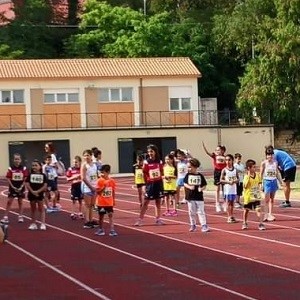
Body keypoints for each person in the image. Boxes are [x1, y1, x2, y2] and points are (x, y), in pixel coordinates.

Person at [134, 144, 164, 226]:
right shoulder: (146, 162)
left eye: (151, 151)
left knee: (158, 201)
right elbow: (144, 173)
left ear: (155, 152)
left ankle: (158, 219)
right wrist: (145, 184)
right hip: (150, 184)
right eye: (148, 152)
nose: (150, 153)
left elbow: (161, 172)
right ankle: (140, 220)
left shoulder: (160, 161)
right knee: (146, 202)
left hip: (158, 183)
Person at [1, 153, 28, 224]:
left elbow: (25, 178)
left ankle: (20, 216)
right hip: (13, 187)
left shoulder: (23, 168)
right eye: (15, 159)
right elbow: (8, 178)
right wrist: (12, 186)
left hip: (21, 187)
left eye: (18, 159)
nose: (17, 160)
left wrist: (21, 186)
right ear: (13, 160)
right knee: (9, 202)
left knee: (20, 202)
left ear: (20, 160)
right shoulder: (11, 168)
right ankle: (5, 216)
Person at [184, 158, 209, 232]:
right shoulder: (187, 175)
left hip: (199, 197)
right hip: (190, 196)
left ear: (195, 167)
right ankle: (193, 225)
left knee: (201, 211)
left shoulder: (200, 176)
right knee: (192, 212)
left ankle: (204, 225)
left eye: (190, 167)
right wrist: (189, 187)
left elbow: (204, 185)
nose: (188, 169)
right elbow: (185, 183)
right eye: (188, 167)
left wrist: (201, 189)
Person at [202, 141, 226, 212]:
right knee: (217, 188)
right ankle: (217, 203)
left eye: (219, 150)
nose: (217, 151)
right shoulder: (214, 156)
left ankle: (225, 203)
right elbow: (207, 152)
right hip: (217, 172)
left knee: (224, 189)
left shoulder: (225, 157)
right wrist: (204, 147)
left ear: (222, 151)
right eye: (216, 150)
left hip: (224, 172)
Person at [94, 164, 117, 236]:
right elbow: (98, 192)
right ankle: (100, 229)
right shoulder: (99, 181)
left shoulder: (112, 181)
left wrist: (113, 200)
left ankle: (112, 230)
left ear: (108, 172)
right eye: (101, 172)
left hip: (109, 202)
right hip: (101, 203)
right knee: (101, 216)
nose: (101, 174)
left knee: (110, 215)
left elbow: (113, 191)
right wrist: (104, 187)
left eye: (103, 172)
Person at [242, 159, 265, 230]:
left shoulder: (257, 175)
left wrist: (261, 187)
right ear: (249, 168)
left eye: (255, 167)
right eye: (253, 167)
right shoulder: (246, 177)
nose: (255, 168)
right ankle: (244, 222)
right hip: (248, 196)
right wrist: (248, 177)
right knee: (246, 210)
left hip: (256, 194)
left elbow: (260, 182)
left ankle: (261, 224)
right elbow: (245, 186)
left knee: (258, 209)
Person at [260, 148, 282, 222]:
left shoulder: (275, 162)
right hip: (267, 182)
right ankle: (265, 214)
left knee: (272, 199)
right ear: (266, 156)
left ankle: (270, 214)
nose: (270, 156)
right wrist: (260, 183)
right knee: (266, 200)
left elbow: (277, 173)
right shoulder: (264, 163)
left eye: (271, 155)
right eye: (268, 155)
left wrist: (281, 182)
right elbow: (261, 174)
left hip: (274, 181)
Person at [25, 160, 48, 230]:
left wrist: (38, 191)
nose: (34, 167)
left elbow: (45, 185)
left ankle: (43, 223)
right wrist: (32, 191)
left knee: (41, 209)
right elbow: (27, 183)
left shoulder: (43, 175)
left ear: (40, 167)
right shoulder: (30, 175)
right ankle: (33, 223)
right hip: (32, 194)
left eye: (36, 165)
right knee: (33, 209)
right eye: (33, 165)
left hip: (40, 194)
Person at [81, 149, 98, 229]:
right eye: (85, 155)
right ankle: (86, 221)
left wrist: (96, 186)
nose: (86, 157)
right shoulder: (84, 165)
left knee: (92, 205)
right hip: (87, 187)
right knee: (87, 205)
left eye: (88, 155)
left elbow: (96, 176)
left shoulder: (94, 165)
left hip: (94, 187)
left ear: (91, 156)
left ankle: (91, 220)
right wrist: (91, 187)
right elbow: (83, 178)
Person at [220, 154, 239, 223]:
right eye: (226, 160)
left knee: (232, 203)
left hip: (233, 189)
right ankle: (229, 216)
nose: (227, 161)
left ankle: (231, 215)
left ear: (232, 161)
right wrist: (228, 182)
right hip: (227, 189)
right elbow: (221, 180)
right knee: (228, 203)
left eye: (229, 160)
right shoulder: (224, 170)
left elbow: (238, 179)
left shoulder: (235, 170)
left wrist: (234, 181)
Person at [66, 155, 84, 220]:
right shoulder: (71, 169)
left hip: (81, 186)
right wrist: (75, 177)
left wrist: (80, 178)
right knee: (73, 200)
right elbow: (67, 179)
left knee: (80, 200)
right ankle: (73, 213)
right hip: (74, 186)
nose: (75, 163)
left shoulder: (82, 169)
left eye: (76, 162)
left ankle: (80, 212)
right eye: (74, 162)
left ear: (80, 162)